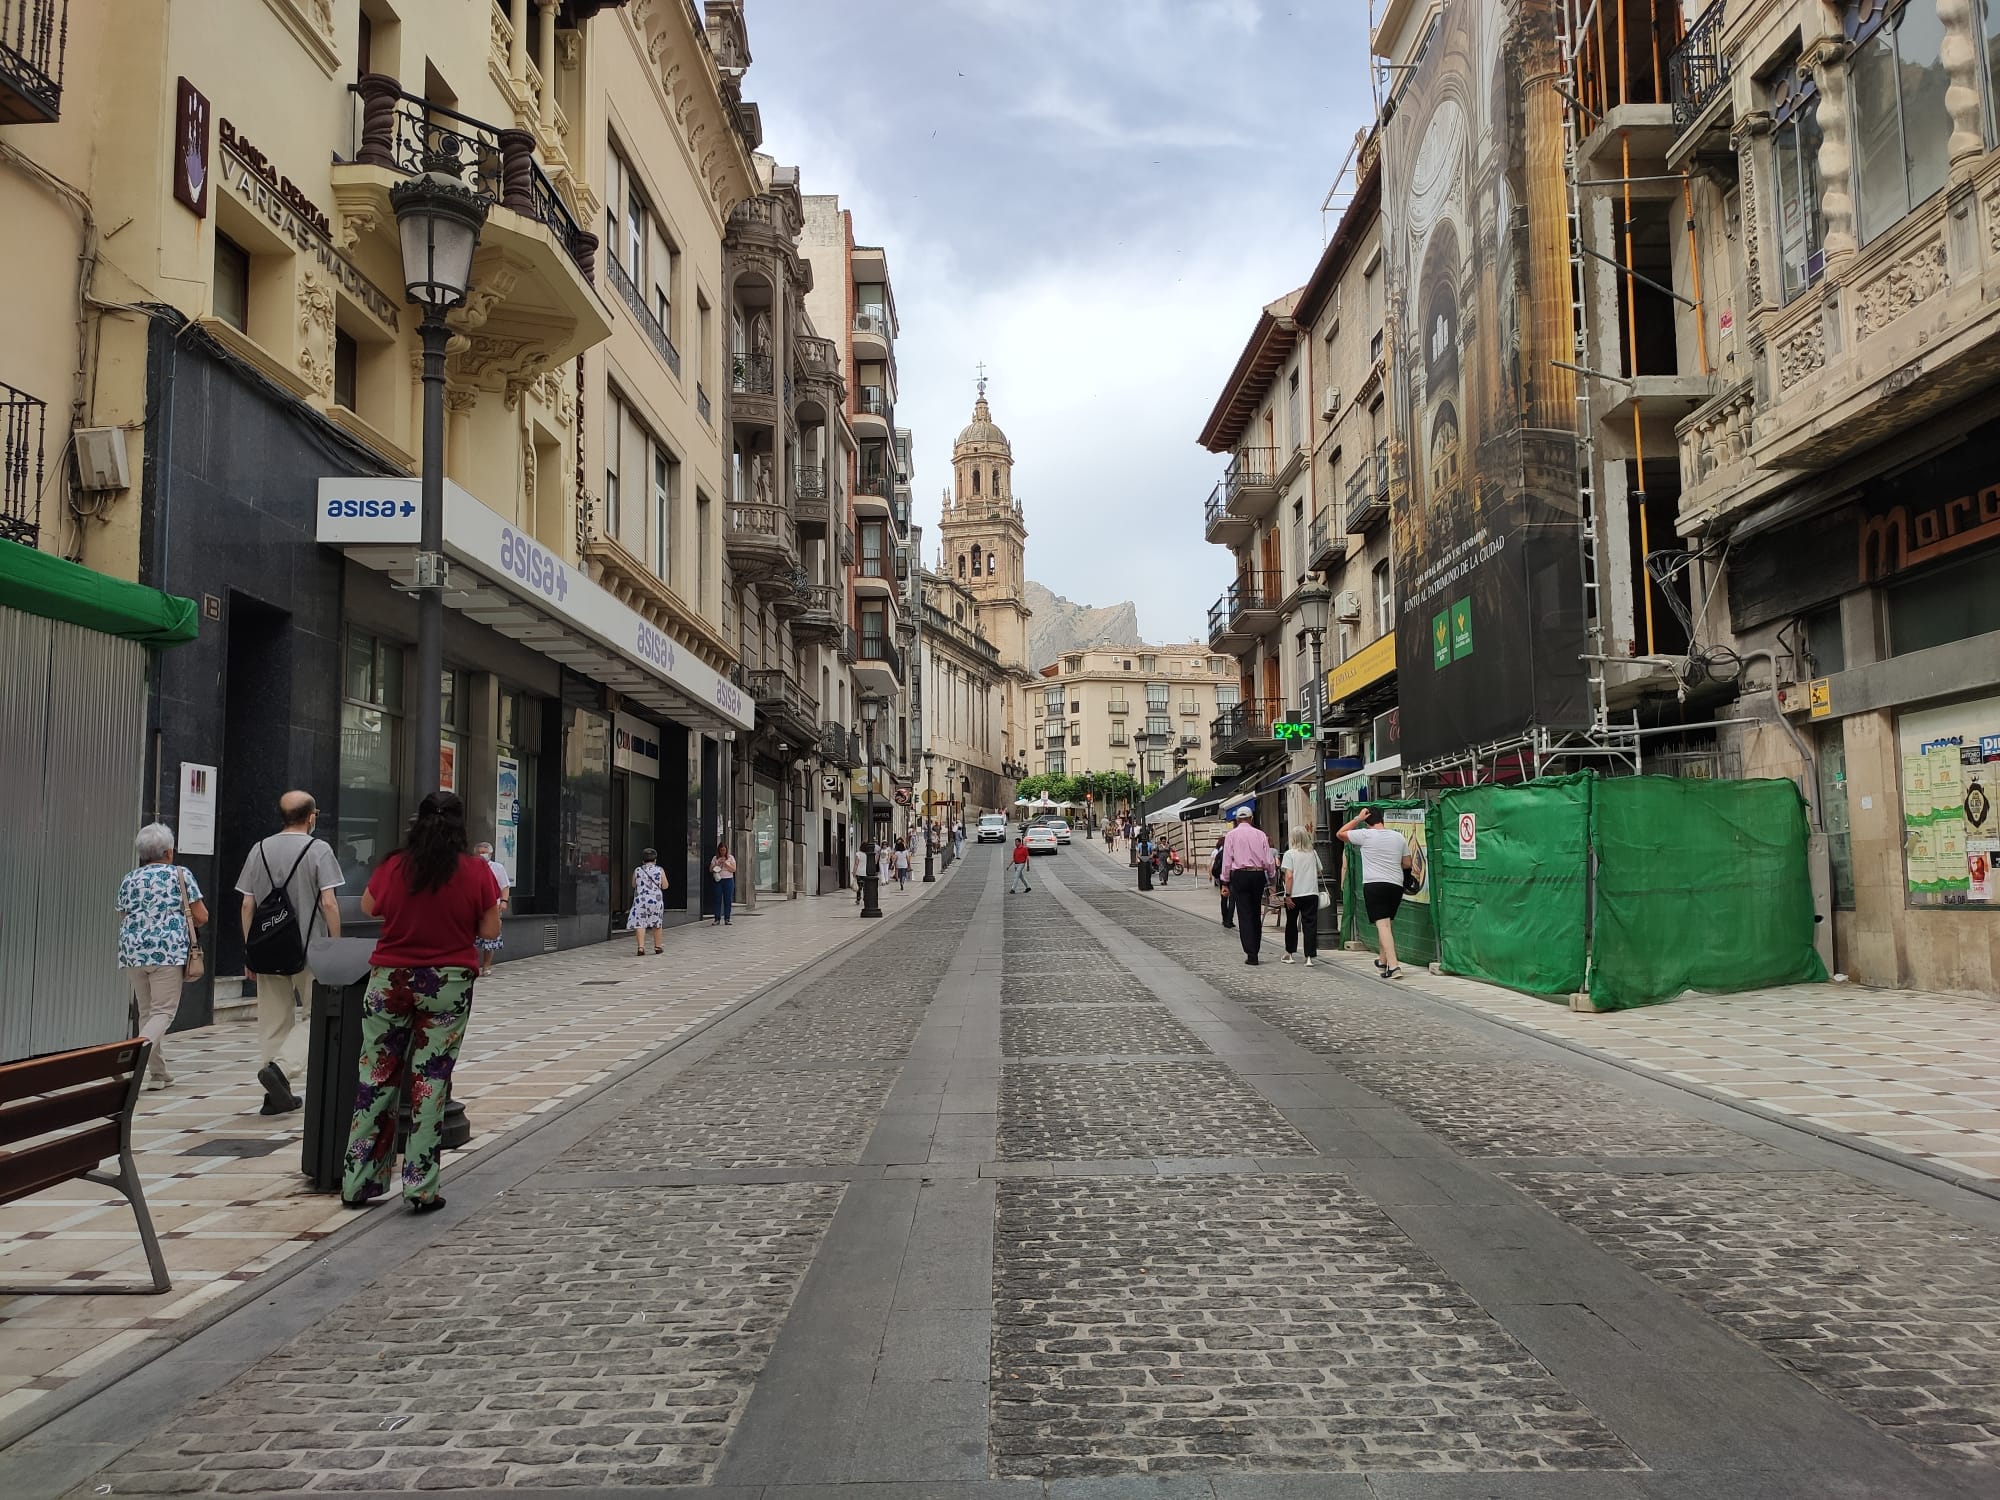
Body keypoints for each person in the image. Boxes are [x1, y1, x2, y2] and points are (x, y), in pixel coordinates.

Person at [343, 791, 500, 1212]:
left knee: (376, 1076)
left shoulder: (395, 865)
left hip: (389, 979)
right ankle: (419, 1186)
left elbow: (369, 905)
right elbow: (489, 927)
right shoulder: (475, 870)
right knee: (430, 1081)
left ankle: (359, 1182)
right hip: (447, 982)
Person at [235, 791, 343, 1115]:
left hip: (267, 950)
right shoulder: (318, 849)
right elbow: (328, 902)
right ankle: (281, 1070)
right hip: (311, 950)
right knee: (317, 1015)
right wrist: (336, 946)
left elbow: (247, 904)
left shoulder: (259, 849)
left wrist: (249, 950)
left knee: (272, 1020)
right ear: (311, 817)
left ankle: (274, 1097)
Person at [117, 823, 209, 1091]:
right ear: (169, 852)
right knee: (163, 1013)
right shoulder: (180, 874)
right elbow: (201, 916)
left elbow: (123, 916)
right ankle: (133, 1058)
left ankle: (158, 1074)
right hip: (167, 952)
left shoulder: (129, 878)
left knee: (147, 1012)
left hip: (133, 952)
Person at [1339, 805, 1414, 978]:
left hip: (1374, 884)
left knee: (1383, 925)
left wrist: (1357, 818)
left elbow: (1340, 834)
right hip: (1395, 884)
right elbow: (1408, 864)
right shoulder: (1398, 837)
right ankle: (1382, 962)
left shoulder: (1365, 834)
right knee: (1386, 924)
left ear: (1367, 821)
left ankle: (1394, 966)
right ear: (1382, 819)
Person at [1218, 806, 1276, 965]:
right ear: (1251, 819)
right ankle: (1255, 947)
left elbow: (1227, 861)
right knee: (1255, 912)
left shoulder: (1231, 835)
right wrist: (1271, 877)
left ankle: (1251, 954)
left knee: (1244, 914)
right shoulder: (1260, 834)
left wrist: (1225, 881)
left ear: (1237, 820)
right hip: (1257, 874)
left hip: (1240, 875)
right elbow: (1269, 859)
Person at [1280, 827, 1324, 968]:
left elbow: (1289, 875)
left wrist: (1287, 895)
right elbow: (1319, 870)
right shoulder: (1313, 853)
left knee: (1292, 923)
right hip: (1311, 893)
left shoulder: (1289, 854)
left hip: (1295, 894)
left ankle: (1290, 953)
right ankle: (1309, 957)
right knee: (1310, 925)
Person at [473, 841, 510, 975]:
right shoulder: (470, 867)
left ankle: (486, 966)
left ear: (490, 853)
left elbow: (505, 886)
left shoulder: (497, 868)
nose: (481, 855)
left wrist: (504, 901)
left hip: (492, 906)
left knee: (490, 937)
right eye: (479, 852)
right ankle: (473, 965)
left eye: (484, 852)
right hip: (474, 906)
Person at [629, 847, 668, 952]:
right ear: (655, 860)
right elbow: (665, 886)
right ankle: (657, 946)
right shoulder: (660, 870)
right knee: (657, 923)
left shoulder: (638, 870)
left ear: (643, 860)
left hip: (640, 900)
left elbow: (633, 884)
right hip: (656, 900)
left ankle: (641, 947)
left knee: (640, 924)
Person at [710, 840, 737, 925]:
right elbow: (711, 869)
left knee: (727, 899)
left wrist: (726, 864)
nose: (722, 852)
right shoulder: (715, 858)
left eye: (724, 850)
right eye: (721, 850)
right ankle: (717, 918)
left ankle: (727, 918)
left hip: (728, 880)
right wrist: (718, 863)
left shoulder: (731, 858)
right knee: (717, 899)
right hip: (719, 880)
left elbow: (734, 869)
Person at [1210, 838, 1233, 928]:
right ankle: (1229, 920)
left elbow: (1215, 867)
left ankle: (1225, 919)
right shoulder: (1231, 853)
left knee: (1224, 899)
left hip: (1222, 878)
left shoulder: (1220, 854)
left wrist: (1217, 877)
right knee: (1232, 900)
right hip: (1232, 877)